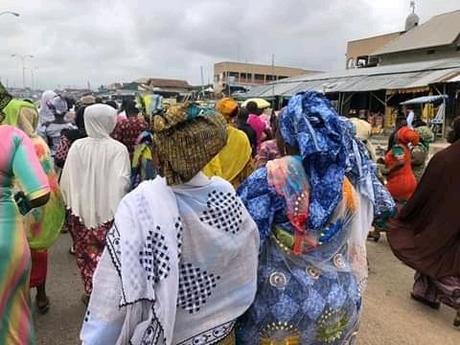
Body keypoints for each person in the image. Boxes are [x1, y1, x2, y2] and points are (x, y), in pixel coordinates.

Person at [80, 103, 259, 345]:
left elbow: (115, 294)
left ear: (159, 154)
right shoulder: (225, 194)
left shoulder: (141, 206)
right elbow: (247, 253)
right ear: (209, 150)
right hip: (222, 334)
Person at [236, 92, 394, 344]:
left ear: (286, 134)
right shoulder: (344, 181)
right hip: (338, 301)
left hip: (279, 306)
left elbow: (241, 239)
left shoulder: (270, 177)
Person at [388, 117, 460, 328]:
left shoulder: (445, 158)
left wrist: (407, 215)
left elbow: (425, 192)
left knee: (431, 252)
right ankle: (425, 293)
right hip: (449, 220)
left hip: (442, 221)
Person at [1, 91, 65, 315]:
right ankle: (41, 295)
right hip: (40, 206)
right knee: (39, 253)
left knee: (18, 254)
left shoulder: (12, 143)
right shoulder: (40, 142)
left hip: (18, 206)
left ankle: (21, 298)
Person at [60, 104, 131, 304]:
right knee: (110, 255)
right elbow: (121, 183)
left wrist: (75, 203)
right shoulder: (119, 149)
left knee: (85, 253)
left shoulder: (77, 146)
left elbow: (67, 179)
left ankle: (91, 290)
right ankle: (109, 293)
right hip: (110, 214)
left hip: (80, 212)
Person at [203, 98, 253, 188]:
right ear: (235, 115)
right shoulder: (241, 137)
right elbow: (247, 168)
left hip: (208, 189)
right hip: (233, 189)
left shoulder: (206, 134)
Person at [383, 127, 419, 204]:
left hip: (400, 182)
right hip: (409, 181)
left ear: (399, 136)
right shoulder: (405, 148)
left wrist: (389, 170)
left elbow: (401, 161)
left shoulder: (398, 147)